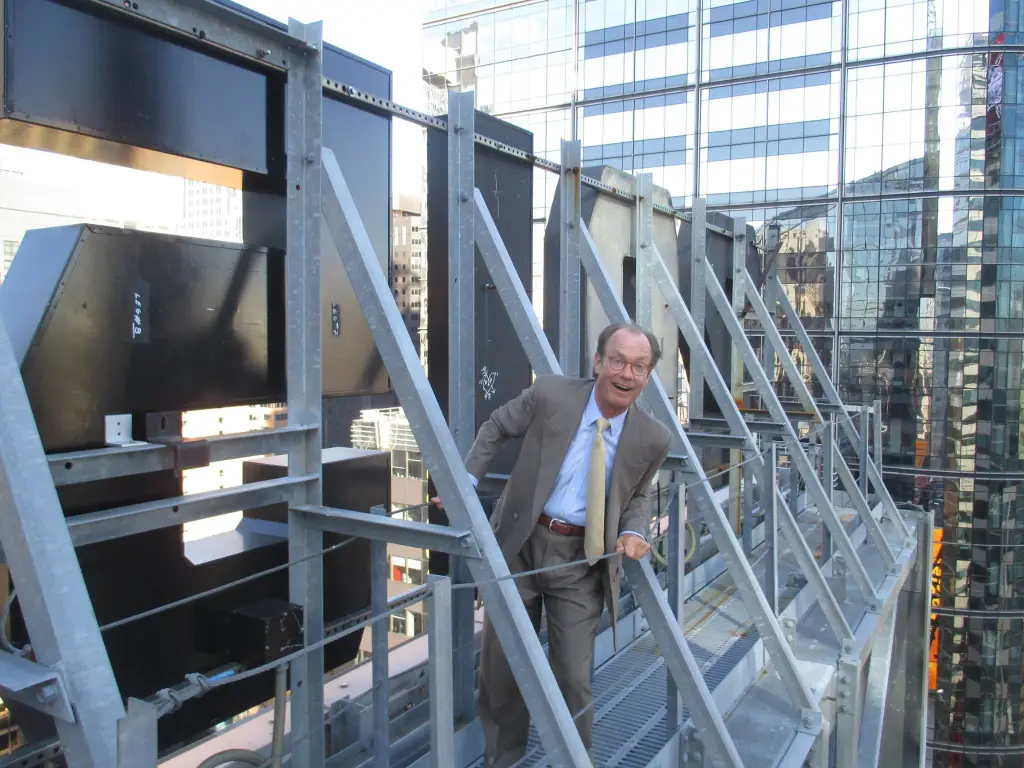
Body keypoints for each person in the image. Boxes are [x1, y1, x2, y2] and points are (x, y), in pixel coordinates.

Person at [436, 322, 673, 767]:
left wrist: (635, 532)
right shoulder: (551, 395)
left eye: (640, 367)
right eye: (618, 361)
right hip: (522, 543)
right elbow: (497, 426)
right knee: (503, 670)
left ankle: (573, 759)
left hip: (582, 561)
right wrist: (465, 482)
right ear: (598, 362)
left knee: (573, 678)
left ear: (647, 376)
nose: (627, 373)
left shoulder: (653, 437)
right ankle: (501, 761)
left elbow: (638, 494)